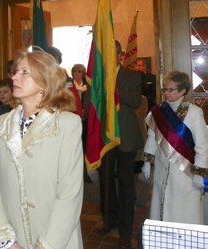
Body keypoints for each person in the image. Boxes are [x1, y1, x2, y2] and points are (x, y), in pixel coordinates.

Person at [0, 51, 84, 249]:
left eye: (24, 72)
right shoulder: (1, 124)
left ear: (44, 82)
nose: (14, 77)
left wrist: (46, 245)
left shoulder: (67, 125)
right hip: (14, 237)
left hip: (57, 239)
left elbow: (69, 193)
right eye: (15, 72)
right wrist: (5, 238)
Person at [85, 40, 143, 249]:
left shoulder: (132, 75)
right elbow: (87, 105)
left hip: (126, 139)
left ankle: (126, 232)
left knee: (126, 187)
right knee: (106, 184)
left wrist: (113, 87)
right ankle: (109, 220)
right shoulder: (95, 77)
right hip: (104, 140)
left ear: (120, 55)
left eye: (113, 54)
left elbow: (136, 100)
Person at [141, 71, 208, 224]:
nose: (166, 93)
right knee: (161, 208)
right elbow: (152, 137)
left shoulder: (194, 113)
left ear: (183, 91)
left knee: (184, 211)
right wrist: (146, 161)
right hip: (161, 167)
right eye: (165, 89)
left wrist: (199, 172)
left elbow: (202, 145)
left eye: (171, 89)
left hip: (185, 173)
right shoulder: (158, 111)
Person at [71, 64, 92, 183]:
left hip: (86, 120)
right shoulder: (68, 85)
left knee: (84, 146)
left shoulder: (88, 85)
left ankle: (84, 173)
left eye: (80, 71)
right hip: (73, 118)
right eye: (75, 71)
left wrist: (85, 110)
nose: (77, 73)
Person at [48, 46, 82, 116]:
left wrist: (76, 116)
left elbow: (74, 99)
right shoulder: (41, 75)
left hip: (64, 114)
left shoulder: (63, 75)